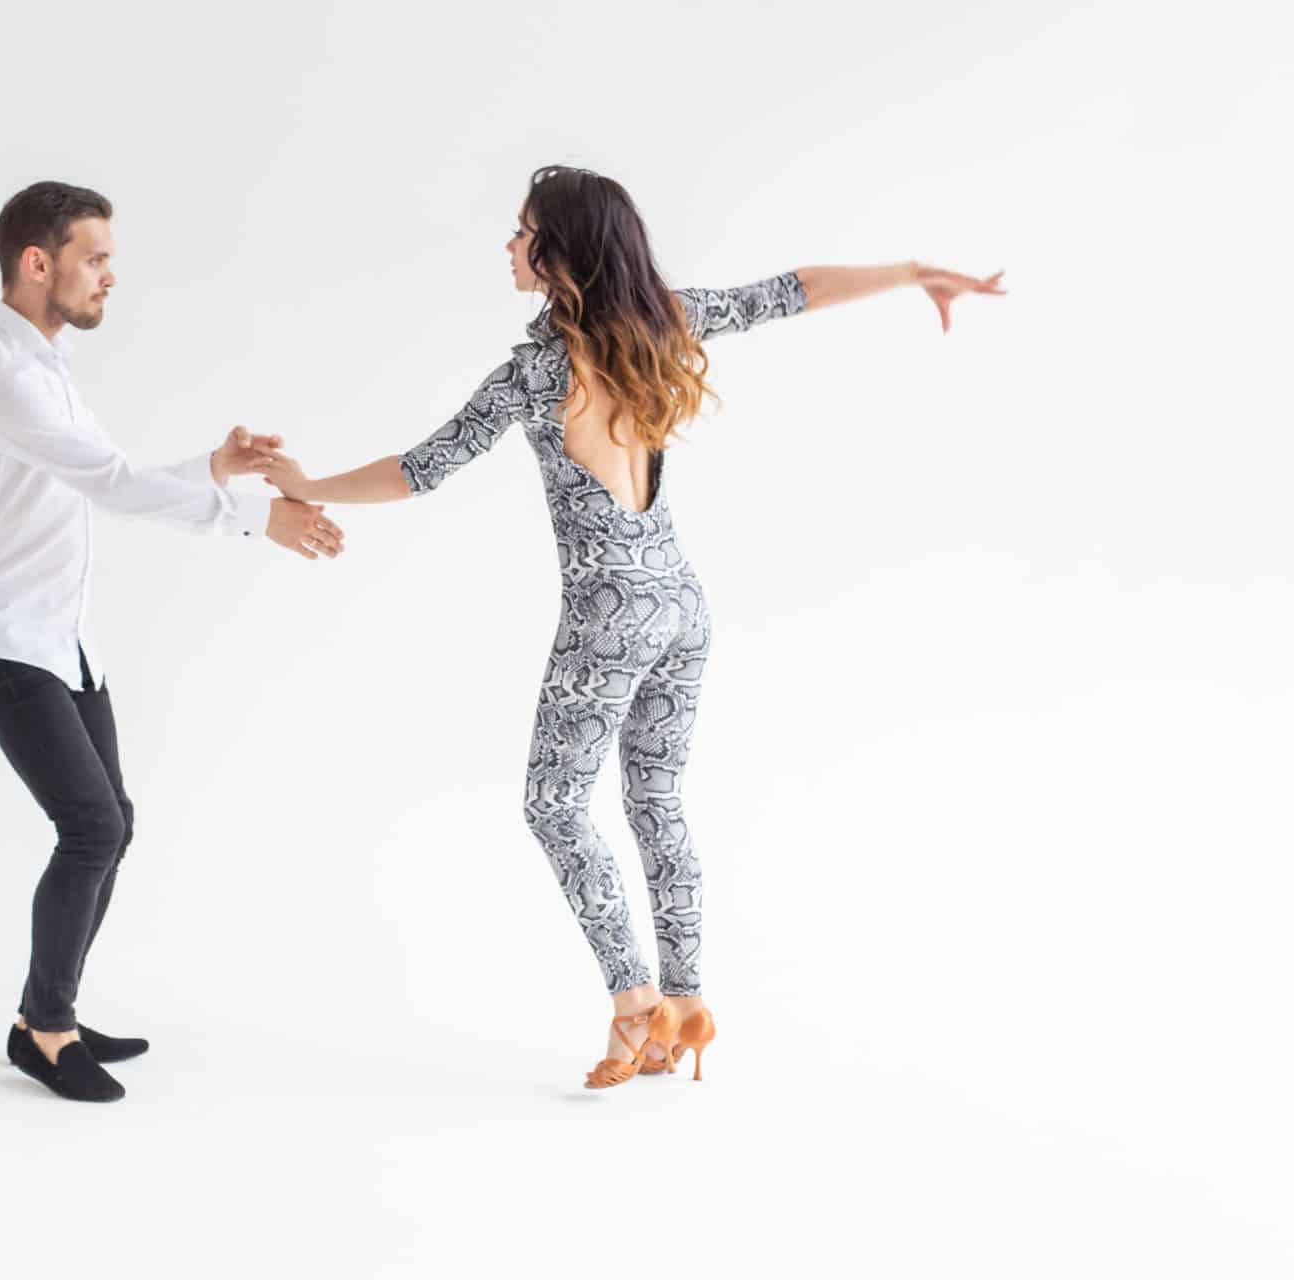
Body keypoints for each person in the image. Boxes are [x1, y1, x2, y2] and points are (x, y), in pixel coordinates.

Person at [252, 163, 1004, 1089]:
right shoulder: (663, 322)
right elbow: (792, 292)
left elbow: (419, 469)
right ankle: (686, 1001)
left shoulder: (536, 369)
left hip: (609, 612)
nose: (508, 244)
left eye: (522, 230)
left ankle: (636, 1003)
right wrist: (911, 270)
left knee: (554, 805)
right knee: (654, 800)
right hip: (680, 601)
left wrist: (308, 486)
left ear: (559, 251)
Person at [0, 181, 346, 1103]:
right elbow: (118, 487)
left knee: (110, 824)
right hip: (4, 639)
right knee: (89, 827)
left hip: (58, 638)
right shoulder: (6, 377)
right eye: (96, 259)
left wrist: (212, 470)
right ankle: (46, 1032)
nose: (110, 277)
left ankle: (44, 1015)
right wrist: (257, 519)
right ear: (36, 263)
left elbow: (103, 483)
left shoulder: (44, 368)